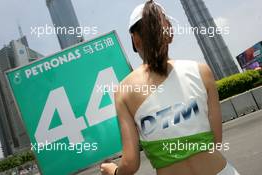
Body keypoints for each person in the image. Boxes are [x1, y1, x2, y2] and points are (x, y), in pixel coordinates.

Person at [100, 1, 240, 175]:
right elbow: (216, 141)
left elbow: (130, 164)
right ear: (170, 33)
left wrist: (113, 171)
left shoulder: (124, 91)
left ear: (135, 40)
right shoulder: (201, 71)